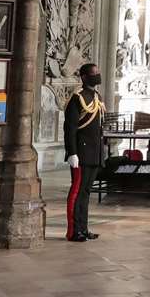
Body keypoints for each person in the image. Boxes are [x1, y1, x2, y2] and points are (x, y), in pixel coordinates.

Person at [63, 63, 105, 242]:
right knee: (77, 191)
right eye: (94, 73)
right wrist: (72, 152)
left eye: (98, 72)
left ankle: (83, 227)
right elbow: (70, 128)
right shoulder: (77, 98)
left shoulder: (96, 96)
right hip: (81, 152)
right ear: (84, 77)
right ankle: (73, 231)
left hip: (94, 152)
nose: (97, 75)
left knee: (86, 192)